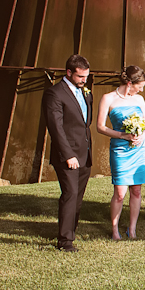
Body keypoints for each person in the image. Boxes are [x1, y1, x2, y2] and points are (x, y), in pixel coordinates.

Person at [42, 54, 93, 252]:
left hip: (85, 152)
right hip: (68, 155)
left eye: (86, 77)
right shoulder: (54, 94)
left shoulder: (86, 92)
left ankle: (71, 229)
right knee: (70, 194)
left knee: (78, 196)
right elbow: (56, 128)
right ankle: (65, 241)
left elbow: (84, 124)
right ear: (69, 72)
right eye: (80, 77)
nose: (84, 81)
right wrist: (68, 155)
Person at [95, 65, 145, 240]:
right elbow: (100, 127)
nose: (142, 89)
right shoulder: (108, 98)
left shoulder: (139, 100)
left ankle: (132, 229)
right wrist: (123, 135)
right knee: (120, 193)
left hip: (138, 149)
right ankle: (114, 230)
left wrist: (142, 136)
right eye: (139, 86)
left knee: (136, 190)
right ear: (129, 83)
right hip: (120, 150)